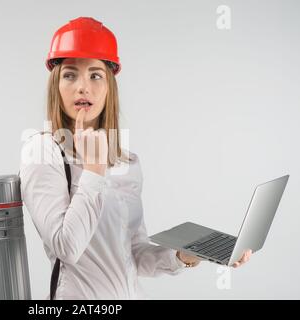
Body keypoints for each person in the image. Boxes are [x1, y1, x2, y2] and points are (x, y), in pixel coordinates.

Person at [19, 17, 251, 300]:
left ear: (109, 87)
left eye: (95, 75)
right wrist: (94, 169)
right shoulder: (42, 152)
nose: (83, 87)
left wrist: (183, 255)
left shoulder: (126, 163)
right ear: (56, 84)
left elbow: (135, 254)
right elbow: (66, 247)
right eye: (70, 74)